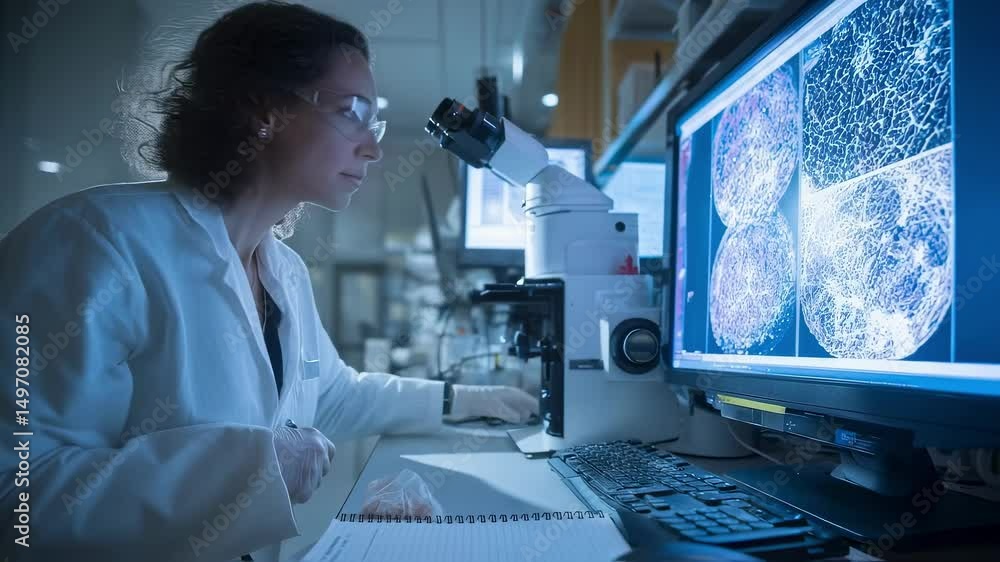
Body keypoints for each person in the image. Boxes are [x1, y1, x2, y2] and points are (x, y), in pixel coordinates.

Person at [0, 3, 537, 561]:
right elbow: (18, 499)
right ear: (264, 111)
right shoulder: (90, 244)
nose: (374, 147)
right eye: (352, 111)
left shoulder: (284, 271)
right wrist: (252, 467)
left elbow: (334, 394)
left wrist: (464, 398)